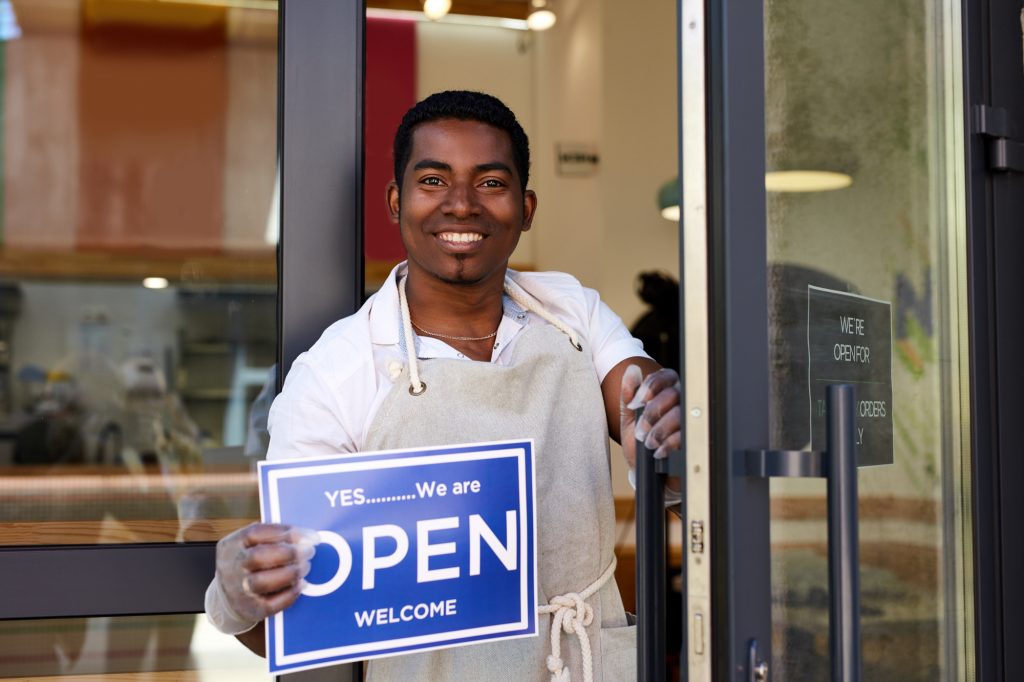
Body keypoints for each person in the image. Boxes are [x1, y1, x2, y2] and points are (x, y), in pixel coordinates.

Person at [205, 90, 682, 681]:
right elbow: (296, 618)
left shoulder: (573, 312)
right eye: (433, 180)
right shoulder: (335, 373)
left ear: (526, 207)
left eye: (490, 183)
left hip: (586, 663)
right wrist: (242, 591)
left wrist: (665, 420)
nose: (461, 206)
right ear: (396, 201)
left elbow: (643, 411)